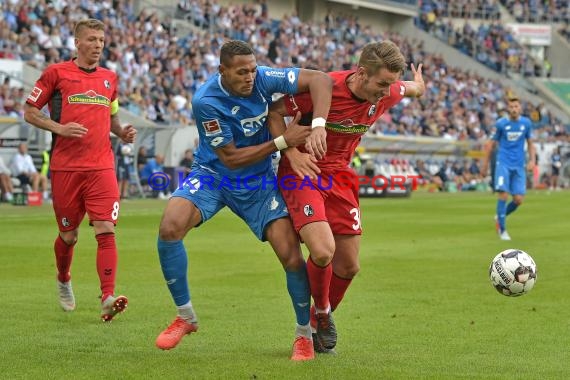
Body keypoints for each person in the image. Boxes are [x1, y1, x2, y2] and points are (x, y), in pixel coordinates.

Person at [154, 40, 332, 361]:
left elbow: (320, 79)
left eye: (252, 69)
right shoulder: (206, 101)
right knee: (170, 227)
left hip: (259, 182)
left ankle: (304, 335)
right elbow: (232, 158)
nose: (250, 77)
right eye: (241, 72)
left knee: (291, 257)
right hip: (214, 175)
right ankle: (185, 316)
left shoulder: (264, 77)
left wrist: (318, 125)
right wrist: (282, 141)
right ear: (222, 70)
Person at [268, 40, 425, 353]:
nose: (386, 91)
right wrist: (290, 152)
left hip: (341, 177)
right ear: (361, 73)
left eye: (391, 84)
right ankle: (323, 314)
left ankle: (315, 325)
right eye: (381, 83)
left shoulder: (388, 90)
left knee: (349, 265)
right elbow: (274, 111)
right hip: (304, 173)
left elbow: (411, 89)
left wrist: (418, 85)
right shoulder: (326, 89)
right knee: (324, 251)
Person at [23, 18, 136, 321]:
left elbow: (111, 118)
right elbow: (30, 112)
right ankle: (63, 277)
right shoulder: (56, 74)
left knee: (106, 228)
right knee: (68, 235)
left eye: (101, 40)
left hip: (101, 167)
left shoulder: (110, 78)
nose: (98, 45)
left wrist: (121, 132)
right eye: (92, 39)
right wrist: (59, 127)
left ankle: (108, 296)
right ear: (77, 42)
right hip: (66, 168)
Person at [481, 96, 535, 241]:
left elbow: (530, 143)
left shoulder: (526, 124)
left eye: (516, 106)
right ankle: (503, 230)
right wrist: (485, 165)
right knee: (503, 195)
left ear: (520, 108)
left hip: (519, 165)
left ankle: (500, 215)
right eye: (511, 107)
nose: (514, 109)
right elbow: (490, 144)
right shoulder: (501, 124)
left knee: (518, 200)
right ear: (507, 109)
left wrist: (532, 161)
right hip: (503, 163)